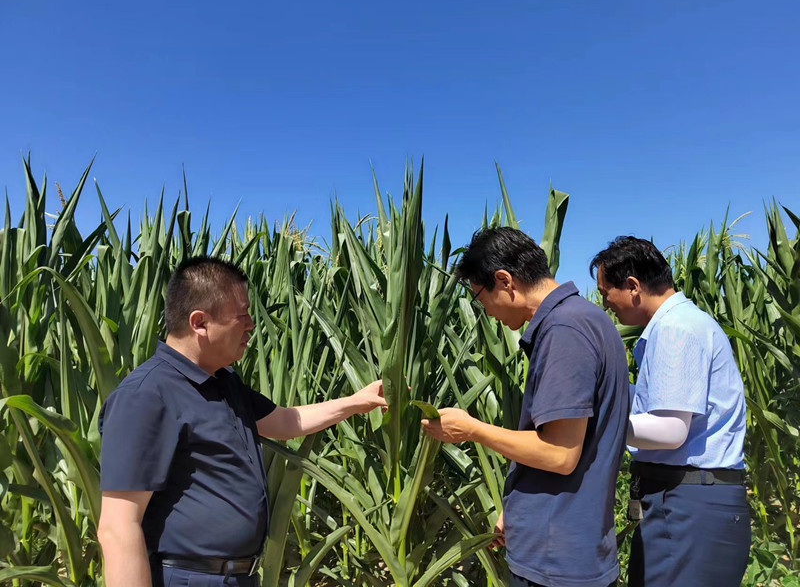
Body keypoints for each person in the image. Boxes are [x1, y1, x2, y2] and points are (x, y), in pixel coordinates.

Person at [97, 256, 386, 587]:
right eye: (242, 316)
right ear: (199, 322)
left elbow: (285, 421)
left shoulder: (221, 381)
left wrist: (357, 401)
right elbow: (118, 527)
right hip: (189, 578)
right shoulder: (147, 396)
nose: (251, 325)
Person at [422, 227, 629, 587]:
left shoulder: (565, 330)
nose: (485, 312)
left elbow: (560, 454)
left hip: (557, 562)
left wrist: (472, 429)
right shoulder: (585, 318)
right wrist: (519, 509)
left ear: (504, 281)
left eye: (480, 297)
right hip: (569, 546)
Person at [590, 236, 750, 587]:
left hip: (686, 503)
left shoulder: (676, 329)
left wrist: (591, 423)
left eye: (605, 293)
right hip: (688, 501)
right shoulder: (682, 323)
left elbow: (669, 430)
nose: (606, 304)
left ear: (632, 287)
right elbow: (658, 406)